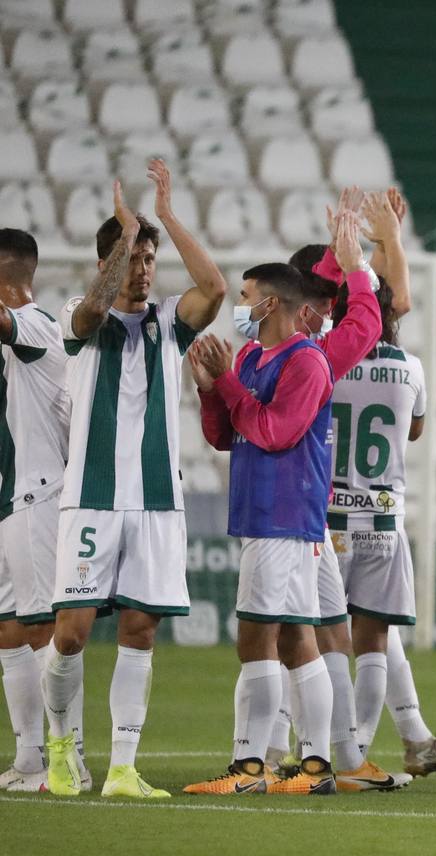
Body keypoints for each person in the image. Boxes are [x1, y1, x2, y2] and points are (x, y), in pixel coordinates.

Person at [182, 211, 382, 796]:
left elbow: (274, 432)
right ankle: (316, 768)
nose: (238, 307)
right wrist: (209, 387)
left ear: (269, 305)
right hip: (268, 515)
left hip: (284, 517)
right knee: (298, 638)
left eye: (245, 297)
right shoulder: (248, 359)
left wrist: (355, 268)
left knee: (256, 637)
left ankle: (248, 770)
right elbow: (225, 435)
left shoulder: (306, 360)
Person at [45, 164, 226, 799]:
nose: (145, 268)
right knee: (69, 632)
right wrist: (124, 237)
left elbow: (215, 286)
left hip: (156, 504)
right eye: (135, 258)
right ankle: (61, 752)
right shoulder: (78, 315)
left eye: (150, 259)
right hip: (90, 499)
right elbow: (94, 311)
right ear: (110, 261)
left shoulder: (171, 322)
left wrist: (164, 218)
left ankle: (123, 767)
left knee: (141, 629)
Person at [294, 189, 436, 779]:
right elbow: (417, 430)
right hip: (383, 520)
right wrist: (388, 242)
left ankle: (308, 750)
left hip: (323, 517)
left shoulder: (324, 357)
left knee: (309, 638)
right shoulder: (411, 367)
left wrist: (358, 248)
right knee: (372, 641)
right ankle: (364, 751)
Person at [0, 229, 68, 792]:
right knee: (8, 630)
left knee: (45, 628)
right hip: (9, 500)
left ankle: (69, 760)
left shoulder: (37, 326)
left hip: (40, 495)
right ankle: (29, 760)